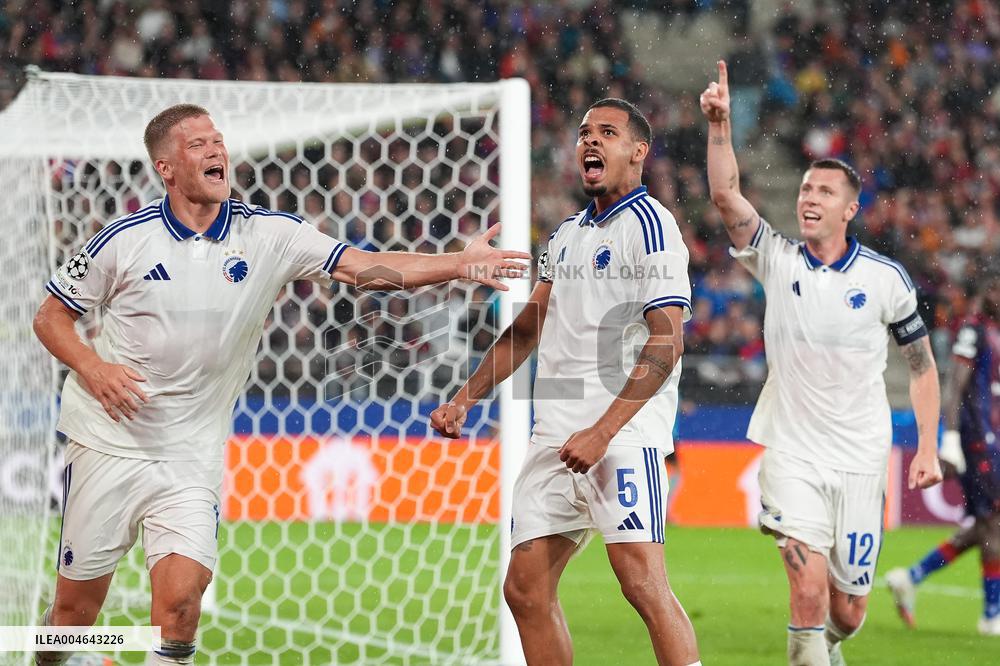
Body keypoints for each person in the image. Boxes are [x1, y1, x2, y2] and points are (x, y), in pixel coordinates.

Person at [33, 103, 529, 666]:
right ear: (165, 168)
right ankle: (54, 652)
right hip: (108, 442)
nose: (216, 150)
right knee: (72, 620)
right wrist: (95, 369)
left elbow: (363, 266)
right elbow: (49, 317)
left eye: (217, 140)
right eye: (197, 144)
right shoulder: (123, 239)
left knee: (178, 609)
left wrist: (457, 266)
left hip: (189, 455)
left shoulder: (269, 234)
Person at [431, 98, 701, 666]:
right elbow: (527, 328)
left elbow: (667, 340)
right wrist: (465, 397)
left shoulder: (651, 227)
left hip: (621, 436)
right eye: (584, 133)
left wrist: (603, 433)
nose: (591, 141)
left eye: (608, 132)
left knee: (641, 583)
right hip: (555, 432)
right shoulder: (564, 237)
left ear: (639, 152)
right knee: (525, 590)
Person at [700, 61, 942, 666]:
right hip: (793, 453)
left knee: (848, 611)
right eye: (805, 188)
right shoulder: (777, 259)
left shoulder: (887, 281)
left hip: (861, 458)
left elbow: (921, 367)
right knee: (805, 588)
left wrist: (930, 447)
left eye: (823, 191)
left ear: (849, 210)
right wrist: (720, 126)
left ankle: (824, 649)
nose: (809, 197)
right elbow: (726, 195)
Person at [886, 276, 1000, 635]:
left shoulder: (992, 332)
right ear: (990, 290)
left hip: (991, 440)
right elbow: (954, 385)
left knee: (985, 526)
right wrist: (950, 438)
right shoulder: (974, 330)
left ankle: (910, 576)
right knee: (994, 526)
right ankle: (992, 615)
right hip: (977, 442)